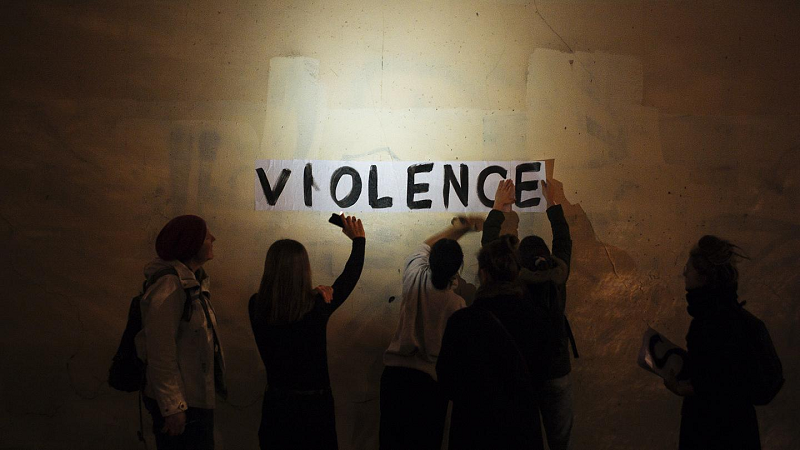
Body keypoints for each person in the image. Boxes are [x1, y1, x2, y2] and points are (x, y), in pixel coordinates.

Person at [248, 214, 366, 450]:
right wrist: (359, 241)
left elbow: (285, 306)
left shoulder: (256, 305)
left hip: (276, 408)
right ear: (303, 270)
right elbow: (348, 278)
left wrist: (312, 294)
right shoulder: (316, 307)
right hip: (314, 410)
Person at [483, 178, 575, 450]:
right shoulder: (558, 275)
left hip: (521, 371)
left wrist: (499, 208)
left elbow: (489, 248)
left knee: (521, 439)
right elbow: (563, 240)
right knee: (560, 441)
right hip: (556, 370)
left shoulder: (513, 279)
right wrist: (553, 203)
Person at [379, 217, 482, 450]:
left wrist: (458, 230)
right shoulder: (456, 305)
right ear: (456, 271)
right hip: (429, 385)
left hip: (395, 377)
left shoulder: (414, 273)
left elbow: (426, 245)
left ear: (431, 260)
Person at [437, 235, 545, 450]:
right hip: (520, 432)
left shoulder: (462, 321)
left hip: (473, 432)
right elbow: (542, 374)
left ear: (484, 274)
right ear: (515, 274)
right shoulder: (534, 318)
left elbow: (447, 381)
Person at [136, 214, 226, 450]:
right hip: (183, 403)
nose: (213, 238)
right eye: (206, 236)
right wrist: (172, 406)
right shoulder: (170, 286)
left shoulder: (192, 283)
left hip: (193, 398)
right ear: (190, 243)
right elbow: (160, 350)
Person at [664, 235, 760, 450]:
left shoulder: (708, 322)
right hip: (741, 429)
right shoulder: (733, 316)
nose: (684, 273)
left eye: (688, 268)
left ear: (703, 276)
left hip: (710, 430)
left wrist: (681, 388)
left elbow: (715, 384)